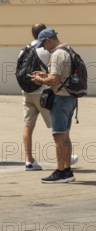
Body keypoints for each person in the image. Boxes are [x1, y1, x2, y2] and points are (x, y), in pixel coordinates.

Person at [31, 28, 78, 183]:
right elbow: (60, 76)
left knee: (58, 135)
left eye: (43, 44)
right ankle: (68, 171)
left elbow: (54, 81)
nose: (43, 48)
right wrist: (46, 76)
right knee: (65, 135)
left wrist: (40, 80)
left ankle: (60, 171)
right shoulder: (68, 50)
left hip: (60, 99)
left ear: (48, 40)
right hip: (70, 98)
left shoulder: (57, 54)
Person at [22, 23, 51, 171]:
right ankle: (65, 156)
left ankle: (29, 161)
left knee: (28, 126)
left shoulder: (24, 49)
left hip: (27, 93)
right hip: (44, 93)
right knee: (57, 126)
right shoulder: (46, 49)